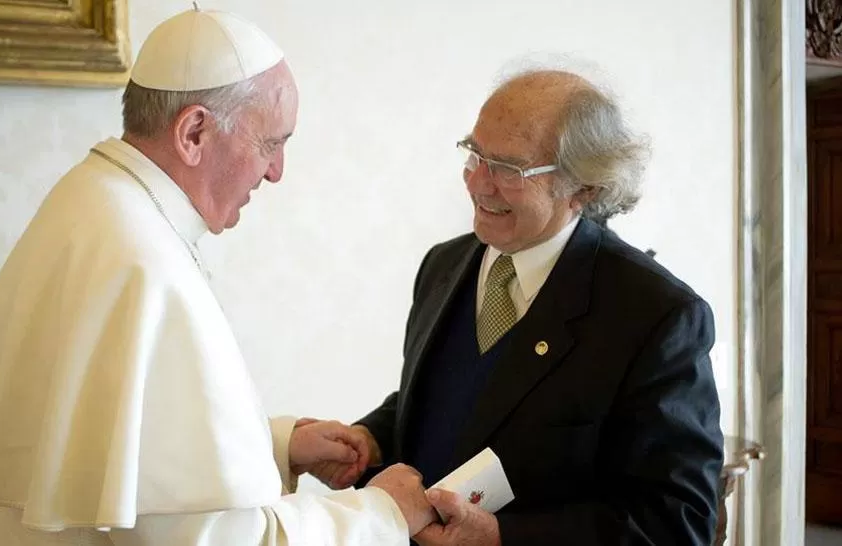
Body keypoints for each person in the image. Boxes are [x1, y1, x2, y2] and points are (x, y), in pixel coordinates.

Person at [0, 6, 435, 546]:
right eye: (271, 143)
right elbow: (212, 538)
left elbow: (121, 455)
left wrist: (274, 445)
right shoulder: (143, 262)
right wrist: (382, 513)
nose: (276, 172)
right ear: (194, 131)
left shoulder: (93, 200)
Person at [309, 68, 725, 545]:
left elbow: (677, 521)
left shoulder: (656, 315)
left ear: (584, 188)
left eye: (509, 169)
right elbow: (453, 397)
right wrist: (371, 438)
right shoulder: (444, 265)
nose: (478, 184)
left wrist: (502, 537)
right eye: (475, 154)